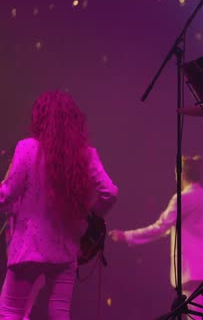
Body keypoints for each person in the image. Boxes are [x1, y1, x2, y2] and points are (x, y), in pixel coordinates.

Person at [0, 90, 119, 319]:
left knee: (11, 311)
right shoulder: (85, 154)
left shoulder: (27, 148)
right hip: (65, 248)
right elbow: (110, 192)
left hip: (28, 247)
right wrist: (91, 214)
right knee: (60, 311)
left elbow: (7, 195)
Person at [109, 155, 203, 318]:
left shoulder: (183, 198)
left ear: (180, 175)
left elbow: (160, 228)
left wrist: (126, 236)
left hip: (190, 269)